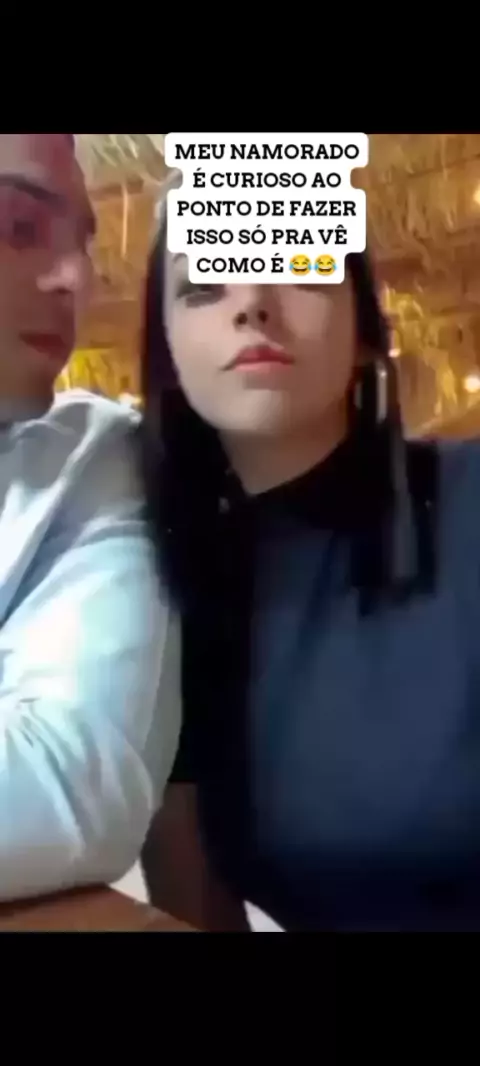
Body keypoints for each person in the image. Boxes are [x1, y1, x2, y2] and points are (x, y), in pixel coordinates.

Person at [139, 210, 480, 933]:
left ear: (364, 332)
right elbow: (191, 895)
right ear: (165, 350)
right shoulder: (164, 585)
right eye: (203, 284)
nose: (253, 302)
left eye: (301, 264)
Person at [0, 134, 179, 901]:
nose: (80, 279)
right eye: (17, 227)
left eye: (83, 243)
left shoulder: (88, 461)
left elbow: (66, 785)